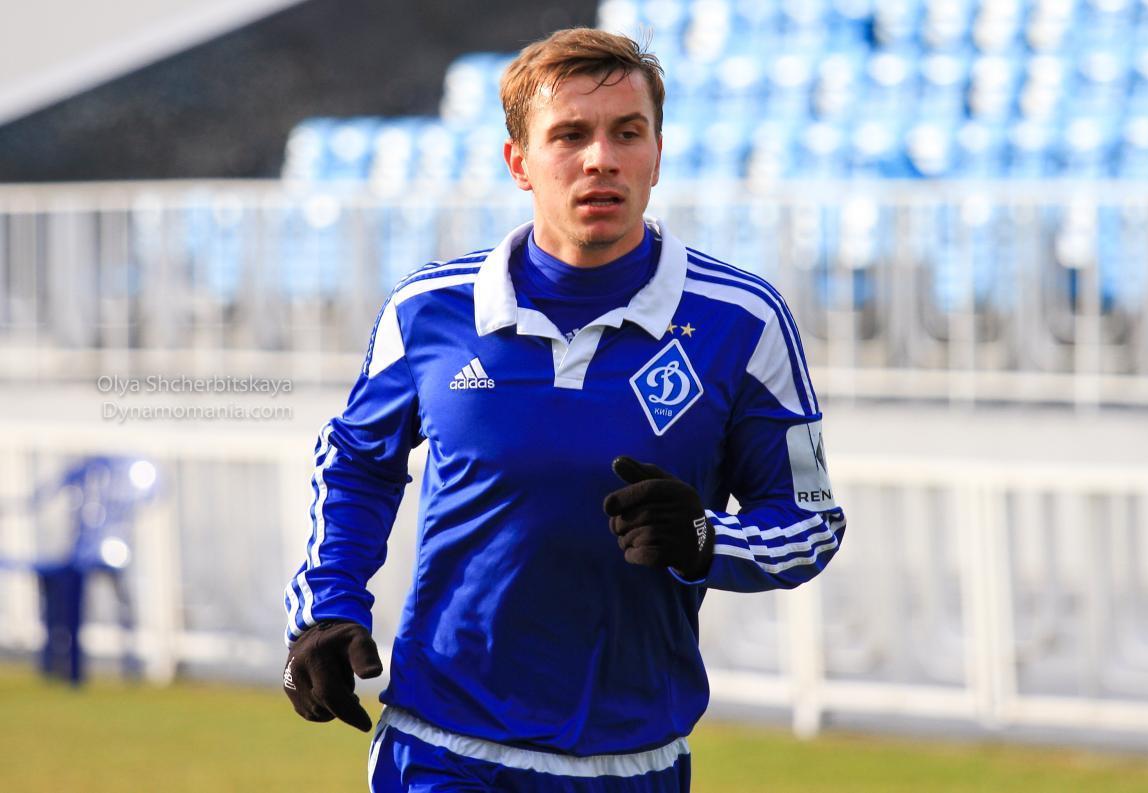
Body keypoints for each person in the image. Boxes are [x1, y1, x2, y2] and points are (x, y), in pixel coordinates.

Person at [282, 27, 846, 793]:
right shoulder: (427, 309)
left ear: (657, 154)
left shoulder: (745, 321)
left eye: (627, 133)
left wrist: (708, 538)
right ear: (519, 161)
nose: (600, 159)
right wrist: (326, 606)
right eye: (570, 135)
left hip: (632, 760)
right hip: (443, 748)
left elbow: (811, 520)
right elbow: (355, 461)